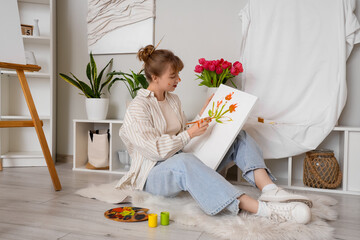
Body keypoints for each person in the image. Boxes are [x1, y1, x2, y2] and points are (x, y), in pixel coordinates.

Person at [116, 45, 313, 224]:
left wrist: (202, 114)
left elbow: (182, 133)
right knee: (184, 161)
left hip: (179, 159)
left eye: (178, 75)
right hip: (152, 175)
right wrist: (190, 134)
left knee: (240, 136)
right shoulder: (138, 107)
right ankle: (265, 210)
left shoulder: (173, 100)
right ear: (155, 77)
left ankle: (270, 191)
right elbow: (156, 150)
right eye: (173, 76)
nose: (179, 80)